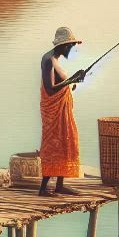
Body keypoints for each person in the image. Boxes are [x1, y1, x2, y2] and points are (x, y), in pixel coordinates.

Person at [39, 27, 87, 196]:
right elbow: (50, 89)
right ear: (63, 46)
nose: (71, 50)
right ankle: (43, 188)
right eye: (70, 47)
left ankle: (59, 184)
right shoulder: (49, 60)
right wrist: (72, 79)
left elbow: (62, 88)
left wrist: (73, 83)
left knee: (66, 140)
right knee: (53, 143)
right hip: (52, 113)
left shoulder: (56, 60)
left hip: (62, 109)